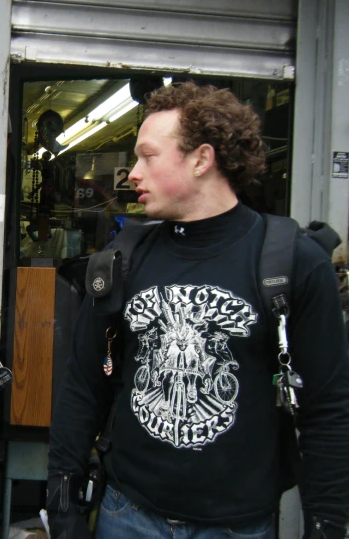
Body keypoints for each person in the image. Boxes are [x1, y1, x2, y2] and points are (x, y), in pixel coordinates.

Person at [46, 82, 349, 539]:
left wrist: (327, 525)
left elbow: (327, 409)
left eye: (148, 156)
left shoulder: (293, 264)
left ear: (202, 159)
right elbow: (84, 385)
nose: (132, 173)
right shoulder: (123, 259)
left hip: (236, 527)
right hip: (127, 513)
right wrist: (64, 502)